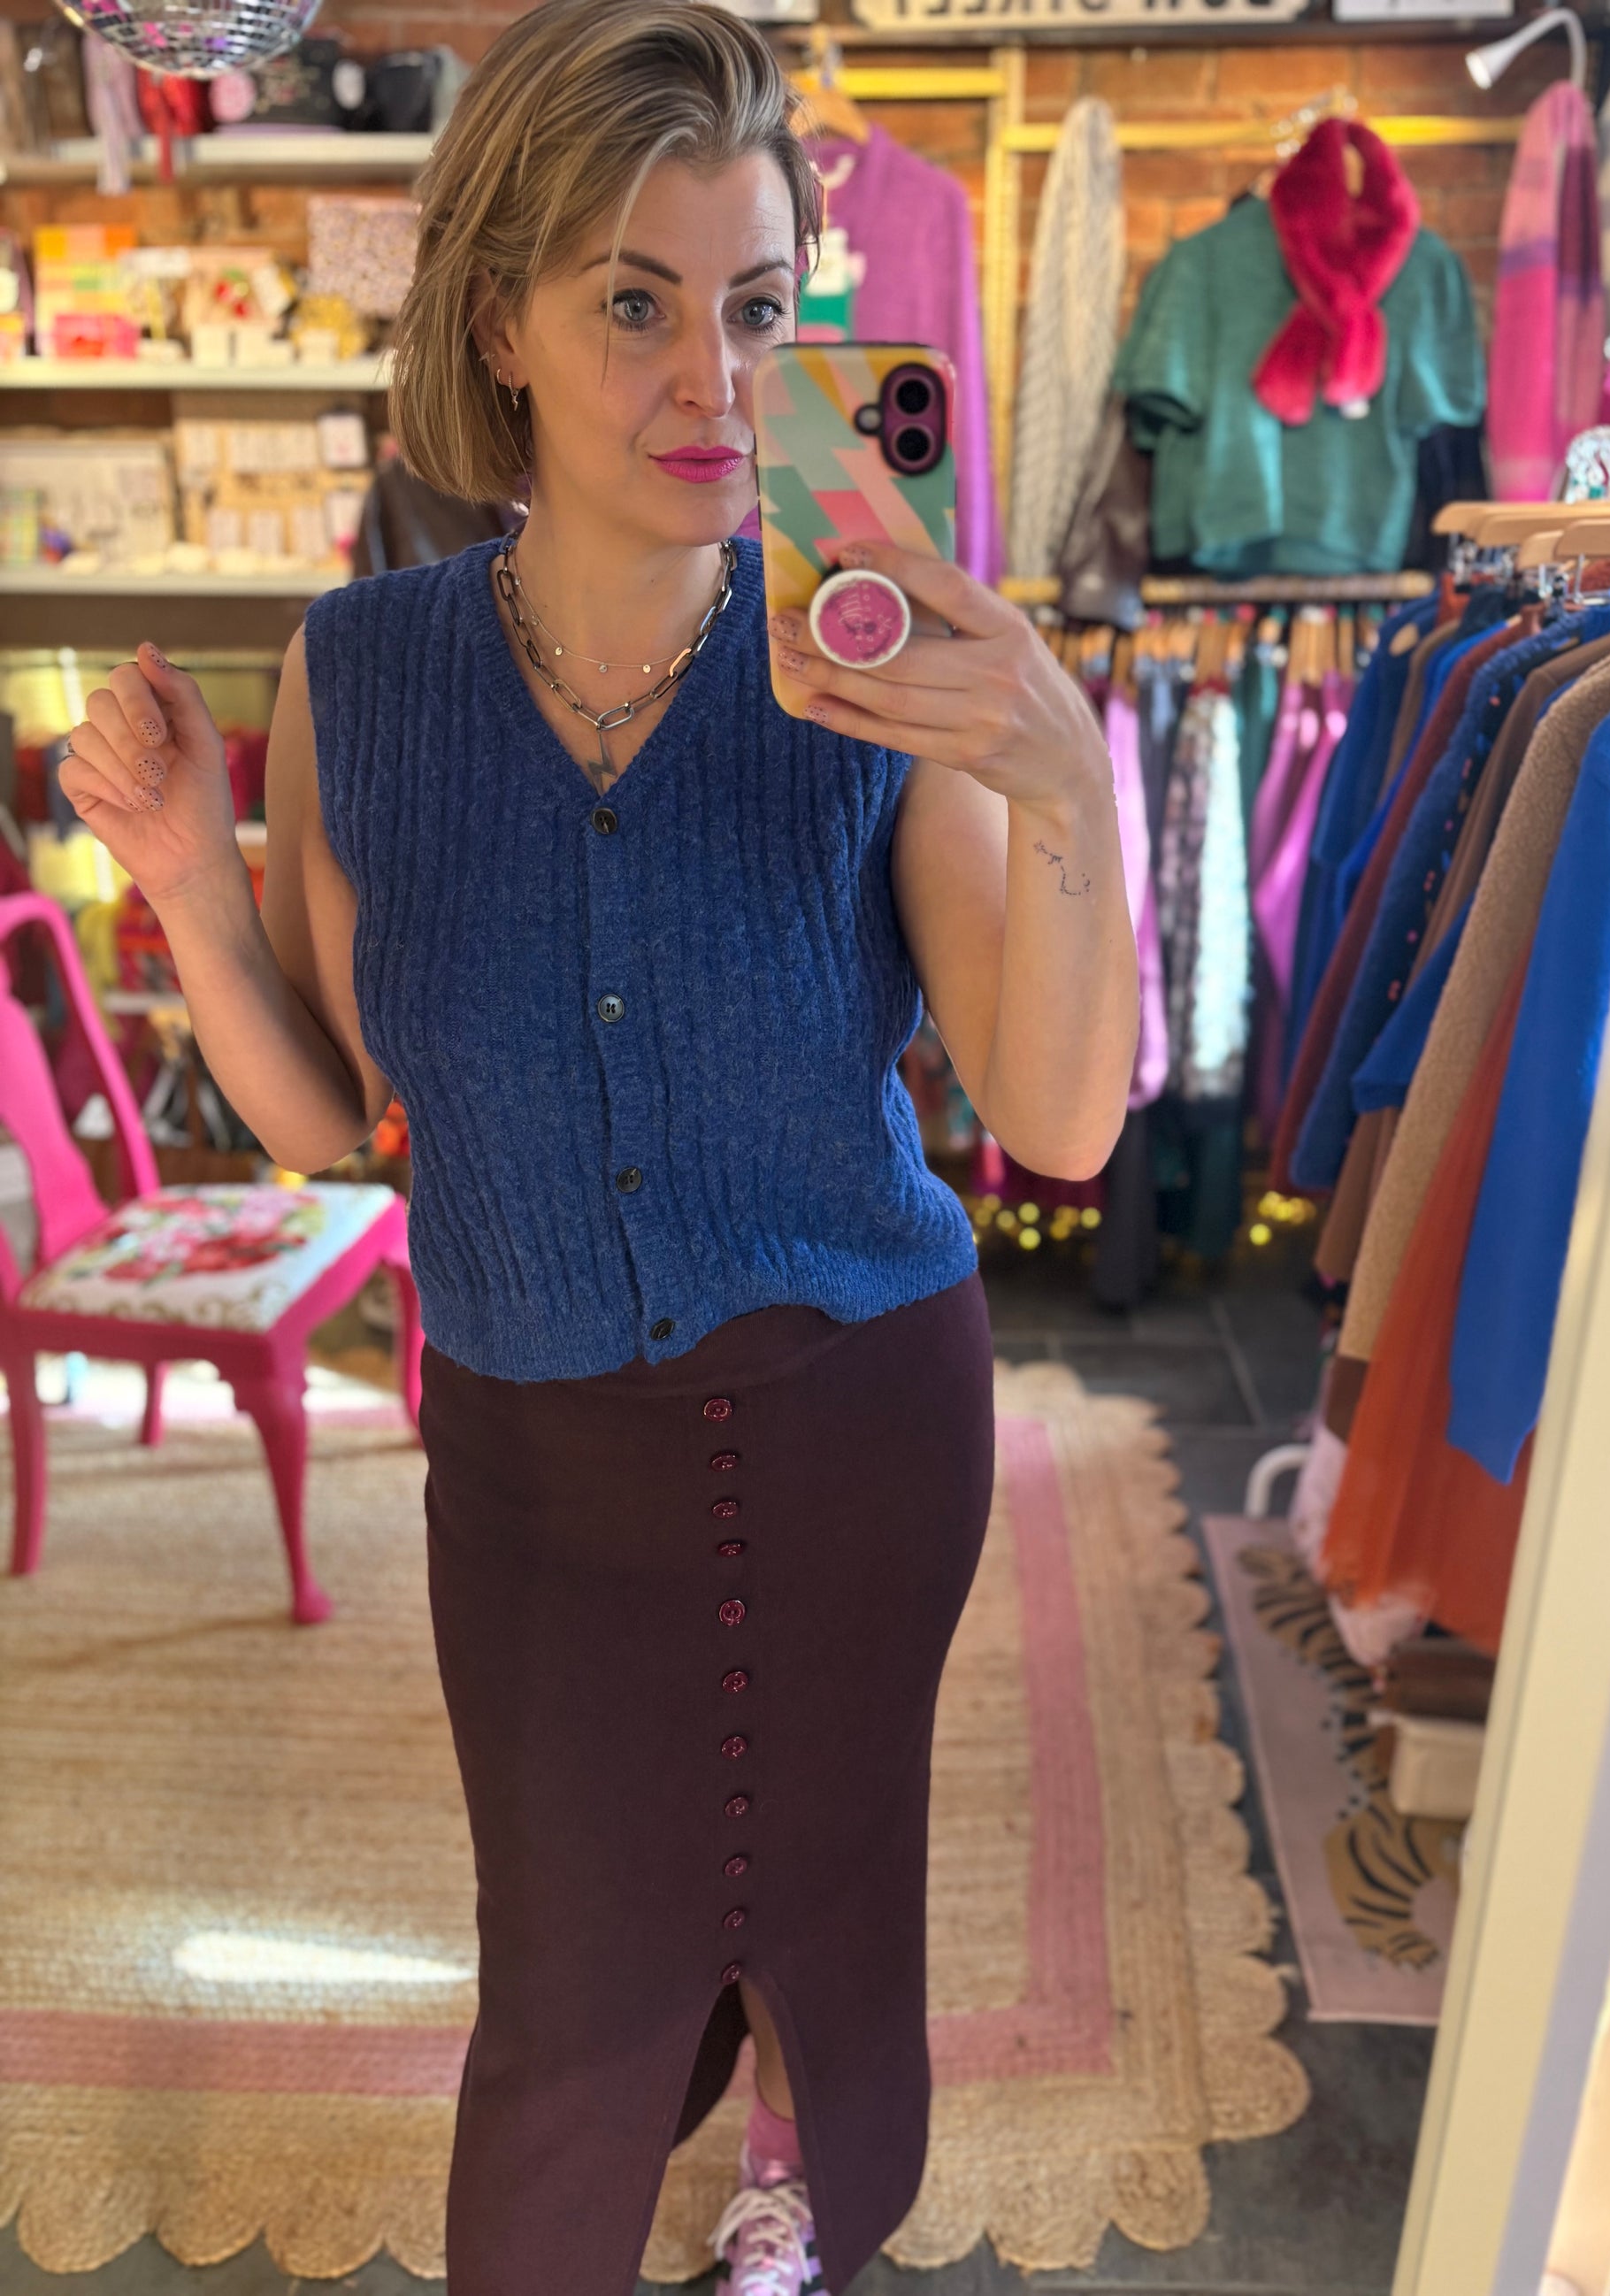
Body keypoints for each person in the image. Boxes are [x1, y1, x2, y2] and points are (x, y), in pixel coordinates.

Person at [58, 4, 1138, 2289]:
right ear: (503, 325)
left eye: (755, 310)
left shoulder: (874, 663)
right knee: (567, 1956)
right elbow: (341, 1119)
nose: (712, 384)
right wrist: (182, 878)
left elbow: (1051, 1115)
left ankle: (795, 2192)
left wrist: (1057, 775)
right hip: (536, 1437)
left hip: (856, 1395)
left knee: (823, 1866)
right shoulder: (363, 669)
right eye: (634, 303)